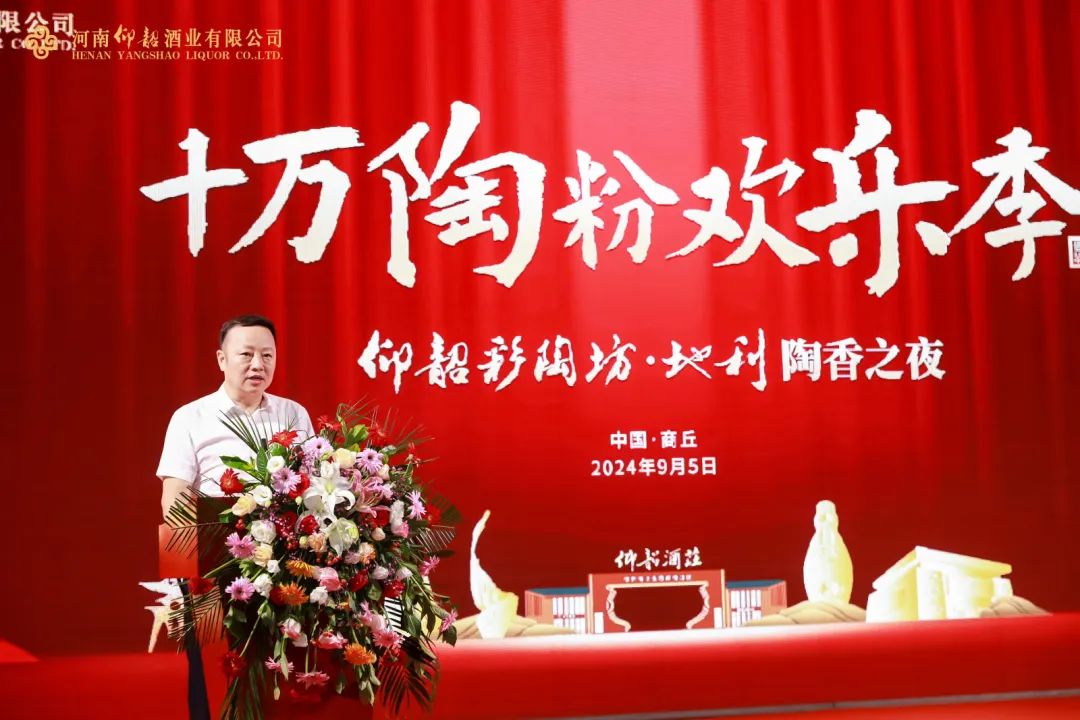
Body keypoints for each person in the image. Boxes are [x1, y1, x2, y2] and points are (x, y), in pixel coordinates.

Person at [157, 314, 315, 518]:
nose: (258, 364)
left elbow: (313, 484)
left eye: (267, 355)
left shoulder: (293, 413)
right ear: (222, 360)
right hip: (215, 533)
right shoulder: (189, 418)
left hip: (285, 534)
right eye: (246, 354)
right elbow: (175, 501)